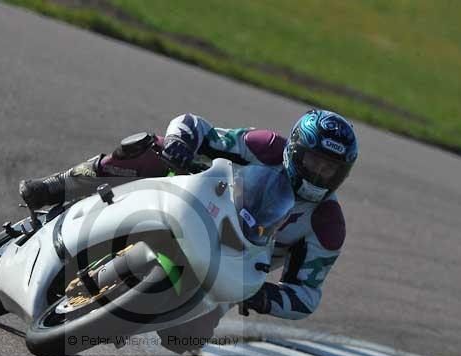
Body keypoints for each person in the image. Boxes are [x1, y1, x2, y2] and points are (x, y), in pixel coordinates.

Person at [19, 109, 357, 328]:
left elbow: (307, 294)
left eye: (331, 169)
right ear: (295, 150)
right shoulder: (265, 146)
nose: (320, 174)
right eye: (315, 162)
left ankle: (118, 319)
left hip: (231, 268)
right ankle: (57, 186)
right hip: (197, 206)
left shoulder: (327, 225)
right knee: (152, 150)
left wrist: (265, 298)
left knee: (187, 338)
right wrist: (181, 144)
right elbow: (195, 125)